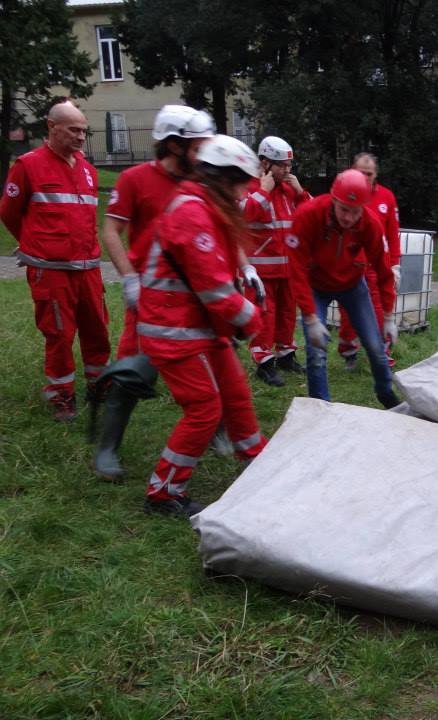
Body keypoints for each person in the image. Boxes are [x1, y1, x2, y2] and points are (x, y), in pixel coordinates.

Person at [136, 135, 270, 518]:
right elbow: (214, 292)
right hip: (175, 331)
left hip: (198, 328)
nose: (246, 193)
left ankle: (255, 457)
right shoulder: (193, 214)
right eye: (243, 183)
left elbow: (219, 278)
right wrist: (252, 318)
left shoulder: (206, 208)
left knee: (236, 392)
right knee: (204, 410)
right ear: (225, 179)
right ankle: (163, 492)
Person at [93, 105, 216, 479]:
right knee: (134, 372)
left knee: (214, 367)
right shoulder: (134, 180)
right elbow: (111, 231)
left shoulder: (203, 183)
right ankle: (106, 450)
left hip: (197, 298)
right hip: (150, 299)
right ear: (176, 145)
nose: (205, 152)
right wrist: (129, 278)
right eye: (197, 145)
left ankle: (218, 430)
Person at [0, 100, 110, 422]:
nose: (80, 137)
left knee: (97, 330)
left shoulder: (88, 171)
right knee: (59, 335)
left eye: (84, 131)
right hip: (50, 271)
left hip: (88, 268)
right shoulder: (28, 165)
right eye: (73, 130)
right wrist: (36, 245)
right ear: (52, 127)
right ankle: (62, 396)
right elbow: (8, 212)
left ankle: (98, 385)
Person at [289, 168, 401, 408]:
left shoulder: (370, 224)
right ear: (334, 199)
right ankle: (320, 408)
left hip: (352, 285)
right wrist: (309, 317)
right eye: (344, 210)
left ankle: (386, 395)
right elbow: (296, 268)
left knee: (375, 346)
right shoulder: (307, 215)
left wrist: (389, 316)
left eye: (355, 211)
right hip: (316, 285)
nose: (349, 218)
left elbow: (383, 272)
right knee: (316, 352)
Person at [240, 136, 312, 386]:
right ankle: (264, 361)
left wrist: (301, 193)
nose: (287, 171)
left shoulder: (290, 189)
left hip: (288, 269)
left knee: (287, 314)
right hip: (261, 271)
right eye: (282, 165)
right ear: (265, 163)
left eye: (290, 166)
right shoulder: (250, 186)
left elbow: (311, 218)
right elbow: (244, 215)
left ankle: (285, 354)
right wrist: (264, 190)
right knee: (264, 317)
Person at [337, 152, 402, 370]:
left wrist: (394, 264)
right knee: (348, 314)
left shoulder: (386, 197)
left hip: (375, 265)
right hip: (348, 264)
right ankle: (349, 350)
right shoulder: (343, 193)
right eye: (361, 173)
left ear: (376, 174)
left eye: (369, 173)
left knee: (378, 310)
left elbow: (392, 233)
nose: (365, 177)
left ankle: (381, 355)